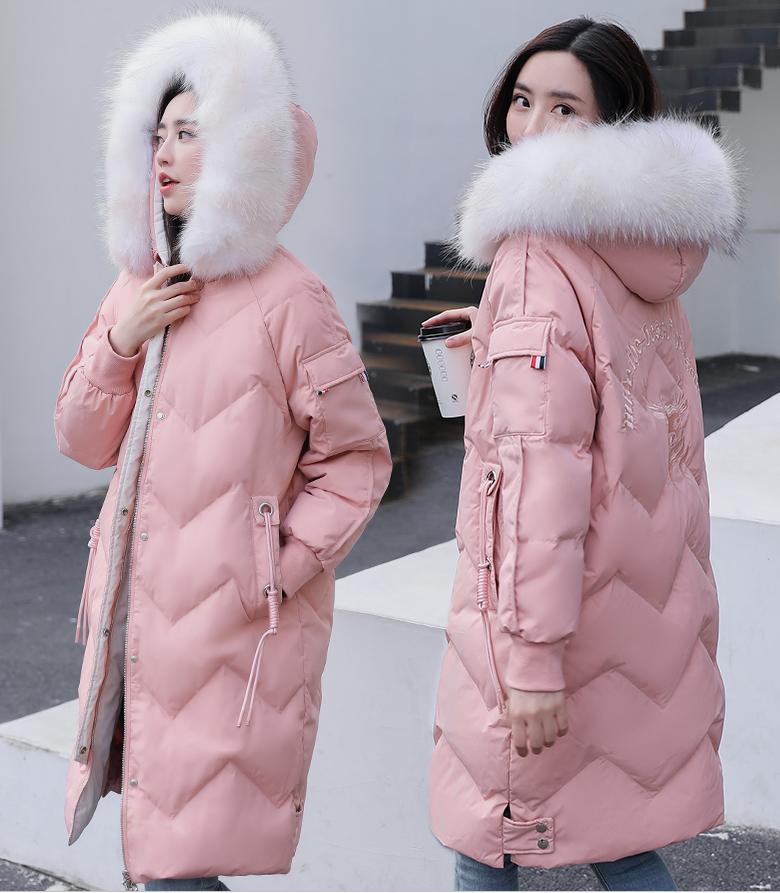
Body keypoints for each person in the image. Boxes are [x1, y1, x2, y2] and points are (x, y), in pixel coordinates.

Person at [54, 11, 392, 890]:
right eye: (159, 133)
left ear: (246, 150)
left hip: (233, 627)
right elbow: (81, 440)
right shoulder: (139, 282)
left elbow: (357, 460)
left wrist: (273, 567)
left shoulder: (293, 299)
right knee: (165, 856)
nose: (164, 154)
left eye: (191, 133)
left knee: (180, 861)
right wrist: (120, 341)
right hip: (139, 619)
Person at [422, 16, 743, 891]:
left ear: (614, 125)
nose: (531, 128)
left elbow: (539, 472)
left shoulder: (537, 253)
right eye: (524, 100)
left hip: (547, 619)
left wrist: (529, 662)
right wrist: (498, 337)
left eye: (565, 108)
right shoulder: (643, 248)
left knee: (488, 835)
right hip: (639, 610)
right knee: (619, 836)